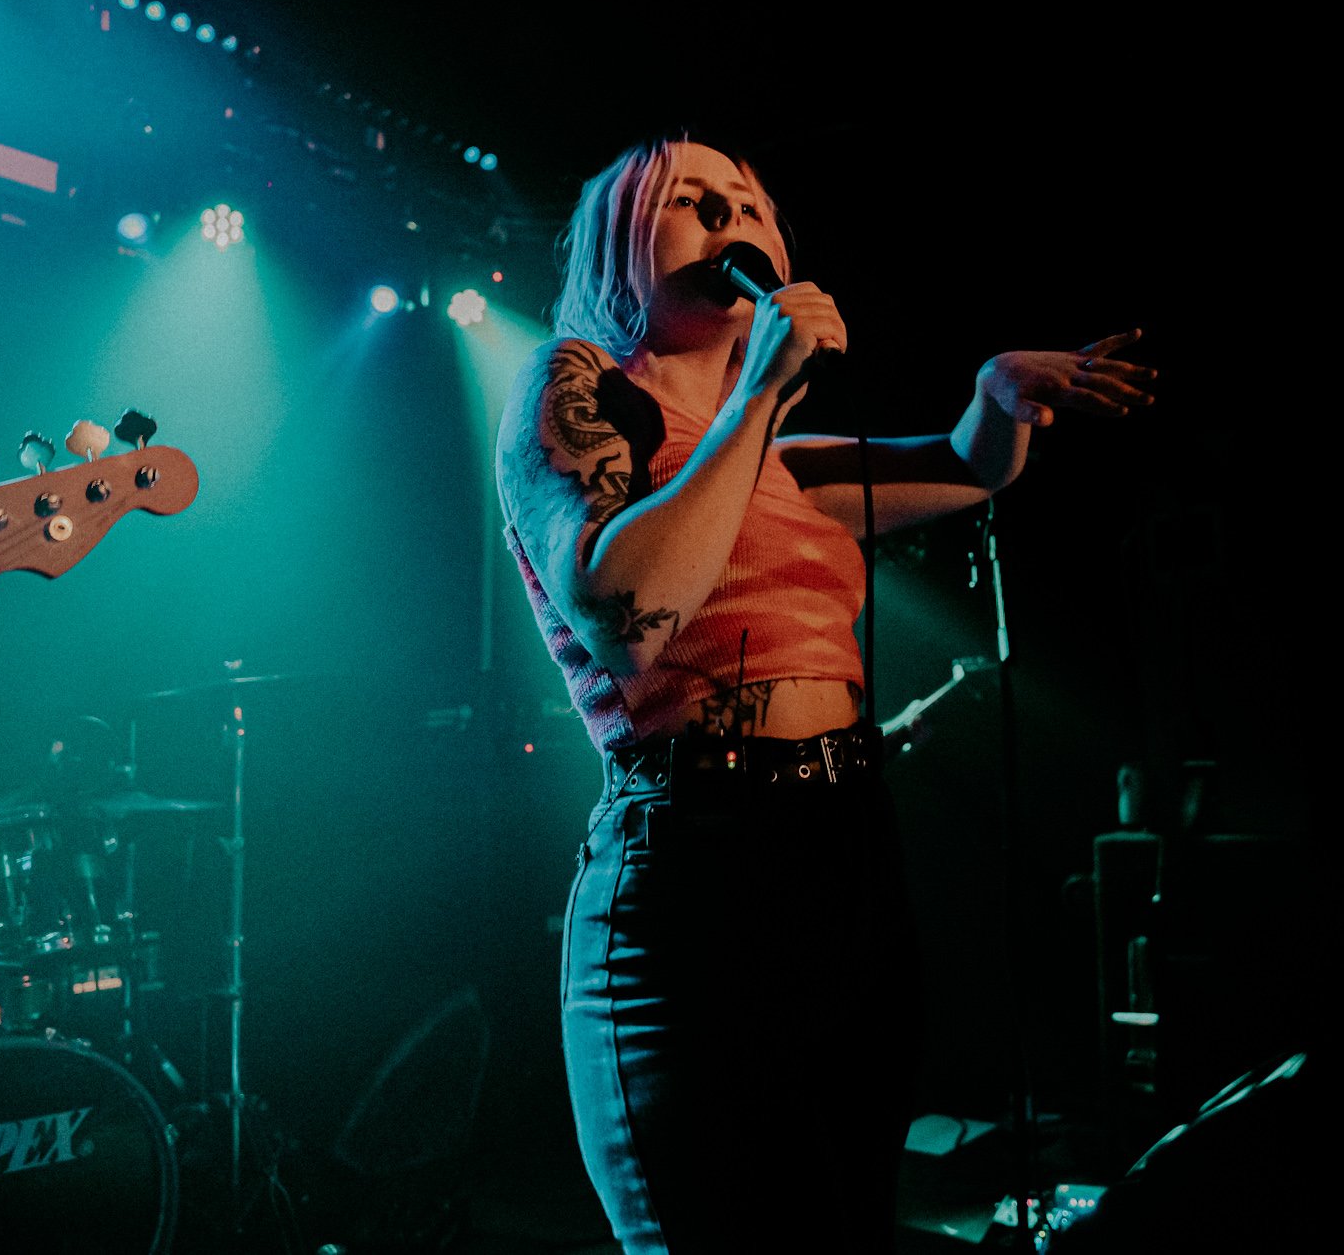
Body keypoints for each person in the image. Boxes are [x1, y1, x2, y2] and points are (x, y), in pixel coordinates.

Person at [494, 134, 1154, 1253]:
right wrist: (757, 393)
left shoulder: (778, 464)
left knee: (842, 1219)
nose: (731, 219)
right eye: (692, 201)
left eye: (748, 203)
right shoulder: (580, 385)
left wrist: (996, 396)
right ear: (618, 243)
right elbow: (624, 617)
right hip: (693, 854)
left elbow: (964, 466)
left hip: (842, 846)